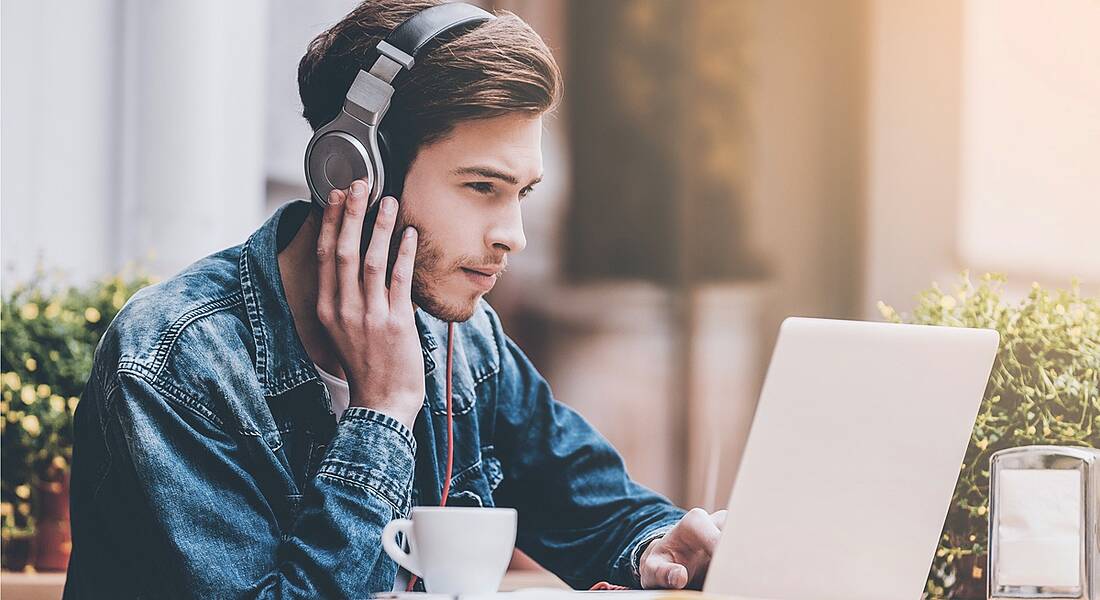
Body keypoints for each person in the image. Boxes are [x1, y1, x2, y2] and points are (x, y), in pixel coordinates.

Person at [64, 1, 725, 597]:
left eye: (521, 193)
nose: (513, 237)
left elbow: (599, 508)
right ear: (352, 174)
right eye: (480, 187)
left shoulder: (464, 341)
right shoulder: (175, 367)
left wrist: (653, 549)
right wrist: (381, 415)